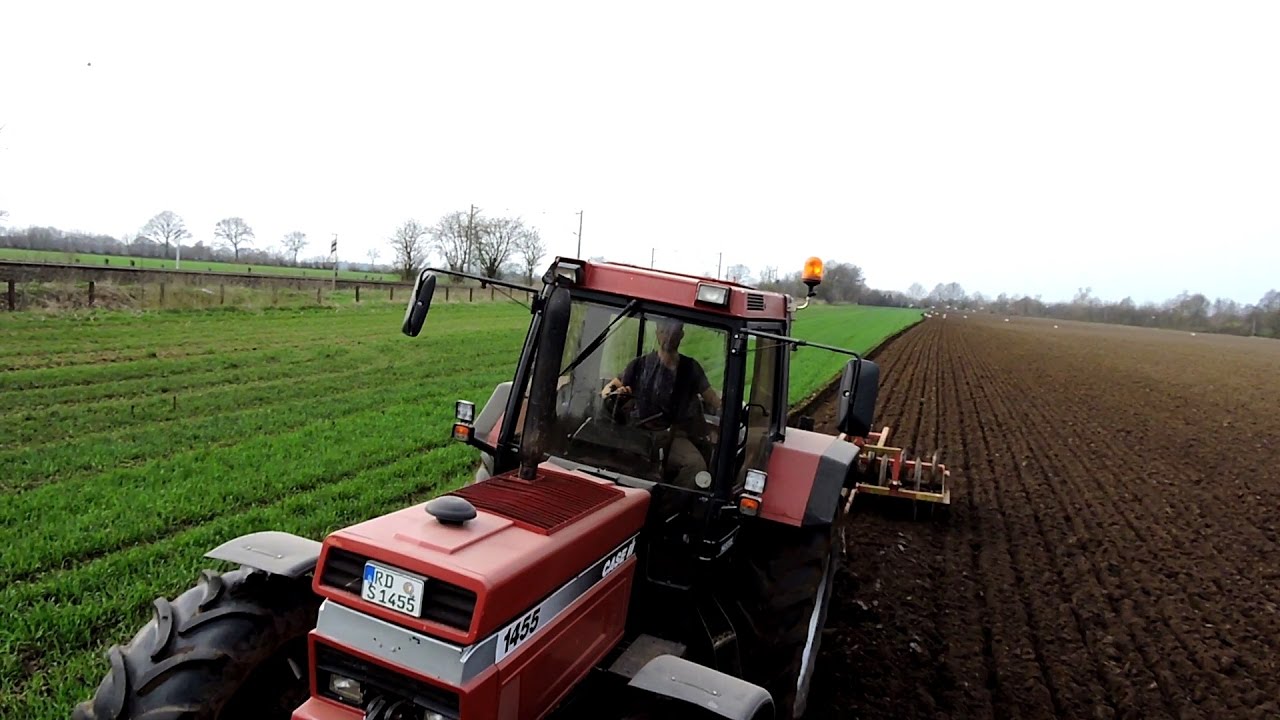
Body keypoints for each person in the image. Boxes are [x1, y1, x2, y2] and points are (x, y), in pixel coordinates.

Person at [600, 318, 721, 488]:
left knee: (695, 466)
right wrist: (617, 395)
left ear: (681, 335)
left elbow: (713, 400)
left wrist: (730, 410)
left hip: (674, 435)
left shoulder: (691, 368)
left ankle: (668, 505)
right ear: (657, 334)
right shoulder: (639, 365)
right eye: (664, 331)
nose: (668, 336)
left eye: (673, 332)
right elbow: (608, 391)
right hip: (638, 433)